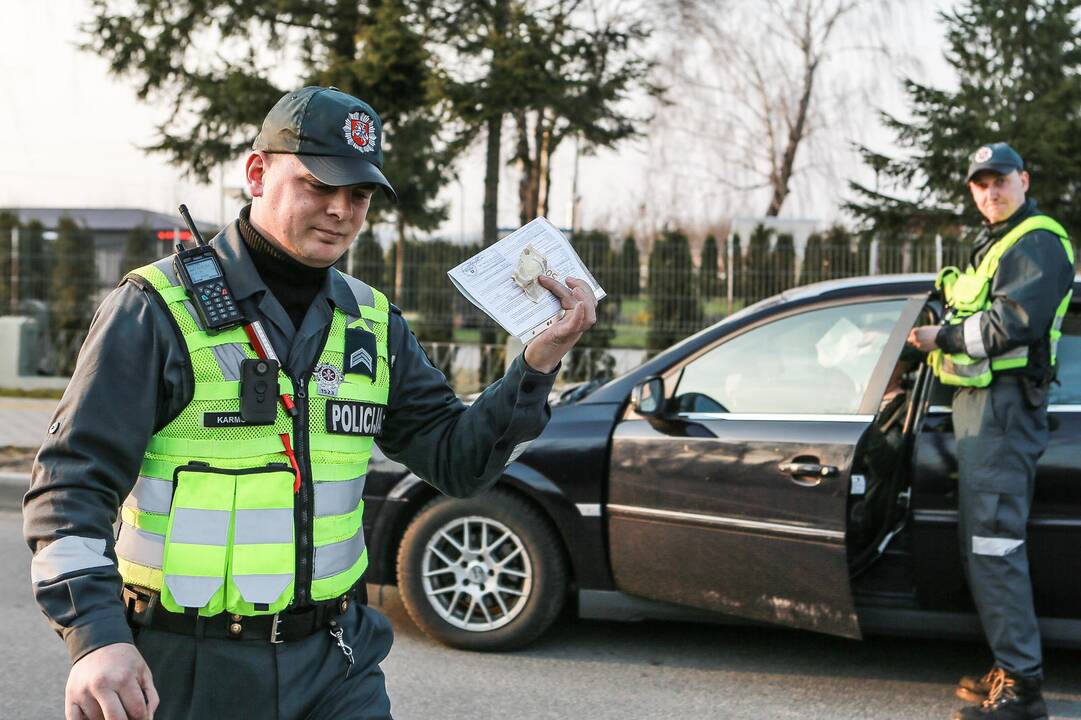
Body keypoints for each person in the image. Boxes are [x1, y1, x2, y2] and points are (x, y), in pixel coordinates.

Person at [24, 86, 597, 720]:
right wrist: (96, 639)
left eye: (358, 195)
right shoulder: (155, 308)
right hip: (184, 669)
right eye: (318, 185)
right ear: (256, 173)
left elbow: (459, 462)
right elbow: (68, 489)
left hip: (335, 666)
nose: (340, 210)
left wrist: (537, 363)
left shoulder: (372, 322)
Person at [907, 142, 1074, 720]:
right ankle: (1008, 669)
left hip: (1006, 410)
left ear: (1023, 180)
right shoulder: (994, 245)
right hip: (978, 408)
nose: (990, 193)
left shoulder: (1038, 241)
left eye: (999, 181)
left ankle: (1023, 693)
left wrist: (941, 340)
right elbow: (967, 309)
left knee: (995, 546)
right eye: (980, 185)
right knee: (984, 546)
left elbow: (1012, 323)